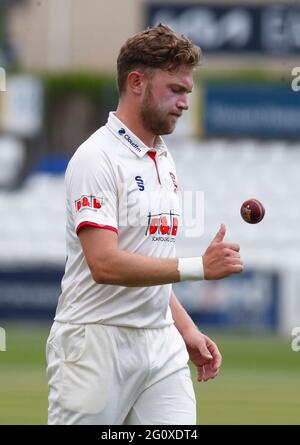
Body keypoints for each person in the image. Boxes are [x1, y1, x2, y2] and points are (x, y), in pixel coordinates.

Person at [46, 23, 243, 425]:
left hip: (160, 344)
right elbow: (105, 264)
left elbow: (148, 260)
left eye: (187, 91)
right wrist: (198, 267)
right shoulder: (95, 158)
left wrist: (184, 327)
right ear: (136, 82)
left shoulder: (162, 157)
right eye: (176, 89)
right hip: (95, 342)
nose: (185, 102)